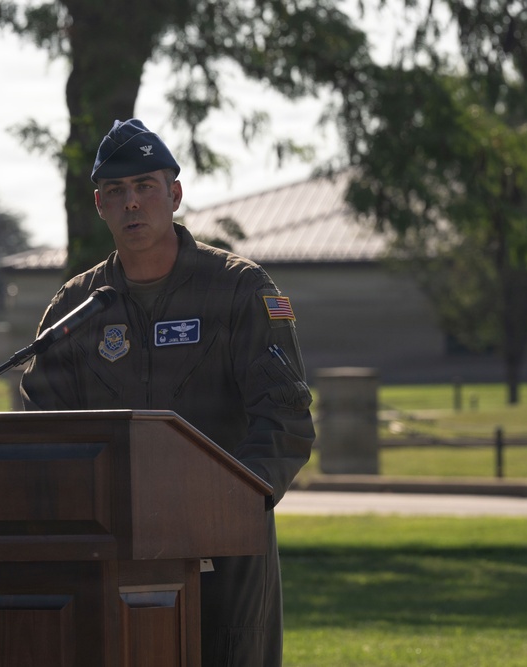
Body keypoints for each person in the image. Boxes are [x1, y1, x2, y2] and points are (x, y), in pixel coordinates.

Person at [20, 119, 315, 667]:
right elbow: (43, 425)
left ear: (174, 194)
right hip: (111, 547)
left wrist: (231, 503)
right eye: (116, 192)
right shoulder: (78, 306)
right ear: (100, 206)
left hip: (224, 547)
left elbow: (285, 418)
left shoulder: (239, 289)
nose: (132, 203)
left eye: (145, 187)